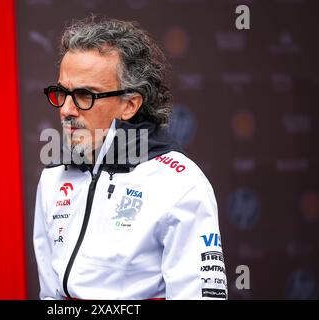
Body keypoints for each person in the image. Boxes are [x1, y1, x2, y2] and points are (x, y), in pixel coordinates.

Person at [33, 16, 227, 300]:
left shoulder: (180, 182)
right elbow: (50, 296)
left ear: (130, 104)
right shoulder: (53, 176)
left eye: (85, 95)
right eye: (62, 92)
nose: (66, 109)